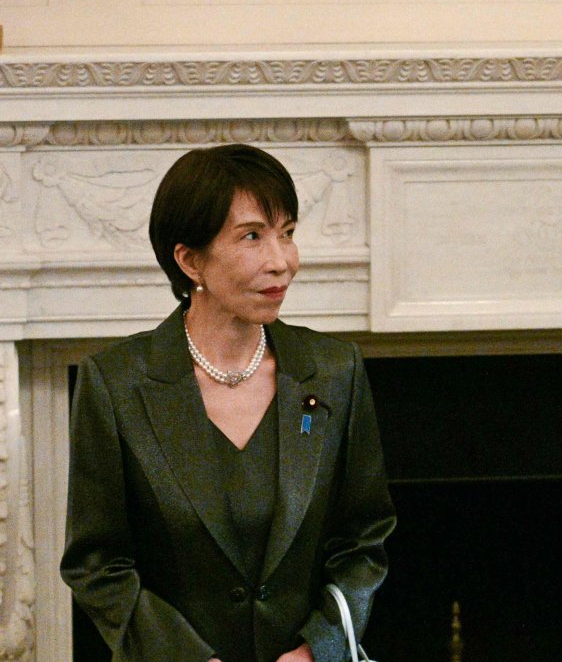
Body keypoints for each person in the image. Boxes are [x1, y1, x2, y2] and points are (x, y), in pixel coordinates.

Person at [60, 144, 396, 662]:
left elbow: (363, 541)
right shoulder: (116, 384)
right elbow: (97, 565)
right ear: (190, 260)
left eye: (287, 233)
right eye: (252, 236)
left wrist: (318, 649)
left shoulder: (335, 371)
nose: (282, 261)